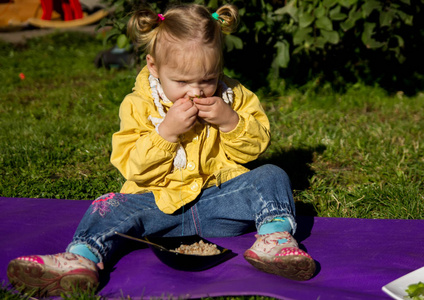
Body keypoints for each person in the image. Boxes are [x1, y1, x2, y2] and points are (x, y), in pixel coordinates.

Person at [7, 3, 316, 297]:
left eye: (208, 79)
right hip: (157, 208)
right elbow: (132, 167)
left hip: (218, 202)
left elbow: (255, 146)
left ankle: (274, 240)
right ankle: (81, 258)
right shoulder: (140, 104)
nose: (196, 91)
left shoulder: (232, 96)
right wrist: (165, 133)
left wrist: (230, 121)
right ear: (154, 67)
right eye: (182, 81)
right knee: (108, 205)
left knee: (272, 175)